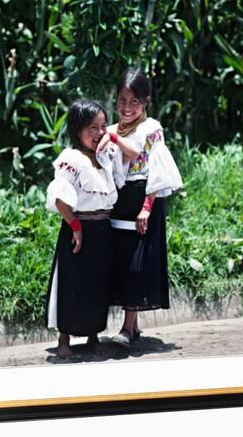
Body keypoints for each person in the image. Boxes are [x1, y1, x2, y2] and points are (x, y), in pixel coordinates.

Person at [44, 99, 138, 359]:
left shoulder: (105, 158)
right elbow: (60, 199)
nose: (99, 133)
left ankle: (92, 336)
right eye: (92, 128)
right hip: (79, 230)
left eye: (103, 126)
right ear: (77, 130)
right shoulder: (71, 159)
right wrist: (74, 226)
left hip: (103, 230)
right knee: (73, 283)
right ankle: (64, 340)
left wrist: (113, 139)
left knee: (98, 285)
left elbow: (134, 155)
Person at [102, 67, 183, 349]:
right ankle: (132, 329)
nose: (126, 108)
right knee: (123, 263)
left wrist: (147, 208)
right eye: (122, 101)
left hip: (143, 201)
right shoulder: (110, 130)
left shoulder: (151, 130)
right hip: (120, 203)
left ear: (145, 101)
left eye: (133, 102)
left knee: (137, 265)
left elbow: (156, 172)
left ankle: (126, 327)